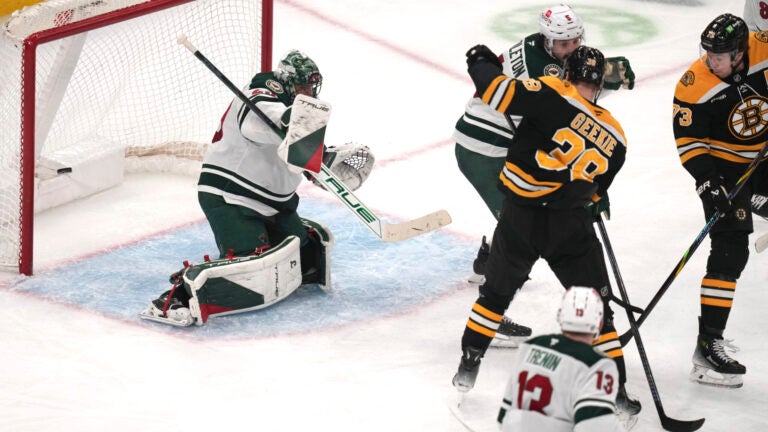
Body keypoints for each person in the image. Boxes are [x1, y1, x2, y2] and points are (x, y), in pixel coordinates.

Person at [451, 43, 640, 416]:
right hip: (568, 226)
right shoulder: (617, 137)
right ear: (599, 84)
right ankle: (616, 394)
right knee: (597, 310)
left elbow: (497, 92)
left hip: (520, 218)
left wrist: (480, 60)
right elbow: (597, 191)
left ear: (567, 74)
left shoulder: (551, 90)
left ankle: (468, 367)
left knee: (494, 297)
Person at [139, 50, 374, 327]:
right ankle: (176, 295)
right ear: (286, 82)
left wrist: (319, 163)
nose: (309, 92)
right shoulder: (258, 97)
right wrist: (289, 123)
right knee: (250, 266)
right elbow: (260, 124)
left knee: (305, 257)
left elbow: (291, 154)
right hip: (231, 197)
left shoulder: (301, 114)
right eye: (302, 86)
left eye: (312, 86)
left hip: (277, 204)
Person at [672, 13, 768, 387]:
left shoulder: (764, 50)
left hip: (761, 157)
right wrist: (708, 183)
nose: (712, 61)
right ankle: (708, 344)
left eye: (720, 55)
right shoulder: (693, 86)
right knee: (730, 249)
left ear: (741, 52)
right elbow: (690, 143)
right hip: (723, 170)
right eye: (709, 53)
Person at [498, 287, 626, 432]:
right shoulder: (598, 365)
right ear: (600, 323)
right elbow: (592, 427)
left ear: (560, 317)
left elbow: (504, 415)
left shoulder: (529, 347)